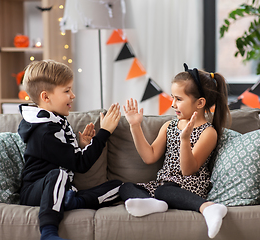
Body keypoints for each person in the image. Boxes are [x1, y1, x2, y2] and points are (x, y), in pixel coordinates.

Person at [120, 63, 231, 239]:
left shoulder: (208, 132)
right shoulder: (169, 125)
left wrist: (185, 139)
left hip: (188, 186)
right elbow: (149, 156)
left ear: (200, 103)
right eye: (172, 98)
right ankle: (153, 203)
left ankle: (207, 208)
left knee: (164, 190)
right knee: (126, 187)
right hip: (163, 184)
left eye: (179, 99)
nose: (173, 104)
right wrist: (135, 125)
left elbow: (188, 170)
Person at [17, 59, 123, 240]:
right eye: (67, 91)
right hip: (36, 192)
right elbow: (80, 164)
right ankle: (48, 233)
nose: (73, 95)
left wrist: (81, 145)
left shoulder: (55, 121)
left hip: (63, 189)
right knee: (58, 174)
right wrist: (104, 132)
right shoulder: (44, 132)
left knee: (120, 186)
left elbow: (67, 156)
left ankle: (74, 201)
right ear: (46, 97)